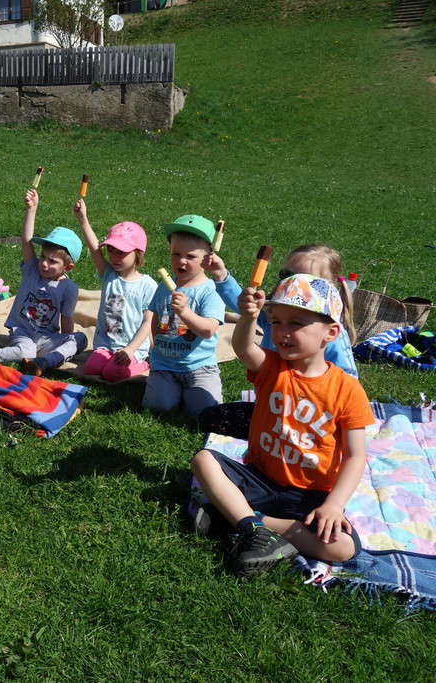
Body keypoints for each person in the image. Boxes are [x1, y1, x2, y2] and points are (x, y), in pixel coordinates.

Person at [189, 273, 373, 577]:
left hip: (308, 495)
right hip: (259, 479)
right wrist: (249, 317)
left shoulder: (348, 389)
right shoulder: (272, 366)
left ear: (330, 332)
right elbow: (243, 348)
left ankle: (244, 521)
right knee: (203, 459)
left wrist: (334, 505)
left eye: (296, 323)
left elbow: (356, 456)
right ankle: (252, 527)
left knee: (343, 548)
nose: (282, 332)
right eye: (276, 322)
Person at [200, 243, 358, 437]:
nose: (293, 285)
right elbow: (247, 315)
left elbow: (349, 380)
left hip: (311, 417)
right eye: (287, 276)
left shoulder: (330, 334)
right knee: (211, 417)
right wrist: (221, 276)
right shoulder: (274, 315)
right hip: (270, 406)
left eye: (305, 279)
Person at [0, 188, 87, 377]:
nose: (44, 263)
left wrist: (65, 340)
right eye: (43, 256)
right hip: (23, 333)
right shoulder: (32, 270)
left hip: (48, 338)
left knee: (80, 339)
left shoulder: (69, 288)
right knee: (25, 351)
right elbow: (27, 241)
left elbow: (66, 319)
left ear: (68, 267)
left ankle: (43, 362)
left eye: (52, 261)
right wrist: (31, 209)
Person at [140, 215, 226, 416]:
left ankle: (189, 394)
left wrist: (185, 312)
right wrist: (154, 345)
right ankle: (170, 391)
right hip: (165, 364)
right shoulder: (164, 286)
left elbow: (208, 330)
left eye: (190, 256)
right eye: (176, 254)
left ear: (208, 258)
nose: (181, 260)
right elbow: (155, 315)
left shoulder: (211, 290)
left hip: (199, 366)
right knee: (158, 407)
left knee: (205, 412)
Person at [74, 200, 156, 382]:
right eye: (111, 251)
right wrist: (82, 219)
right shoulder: (109, 274)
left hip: (132, 348)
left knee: (112, 374)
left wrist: (130, 350)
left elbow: (148, 322)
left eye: (121, 252)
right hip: (106, 345)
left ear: (138, 253)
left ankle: (145, 363)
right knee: (92, 369)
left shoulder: (147, 285)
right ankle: (110, 360)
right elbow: (94, 248)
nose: (114, 257)